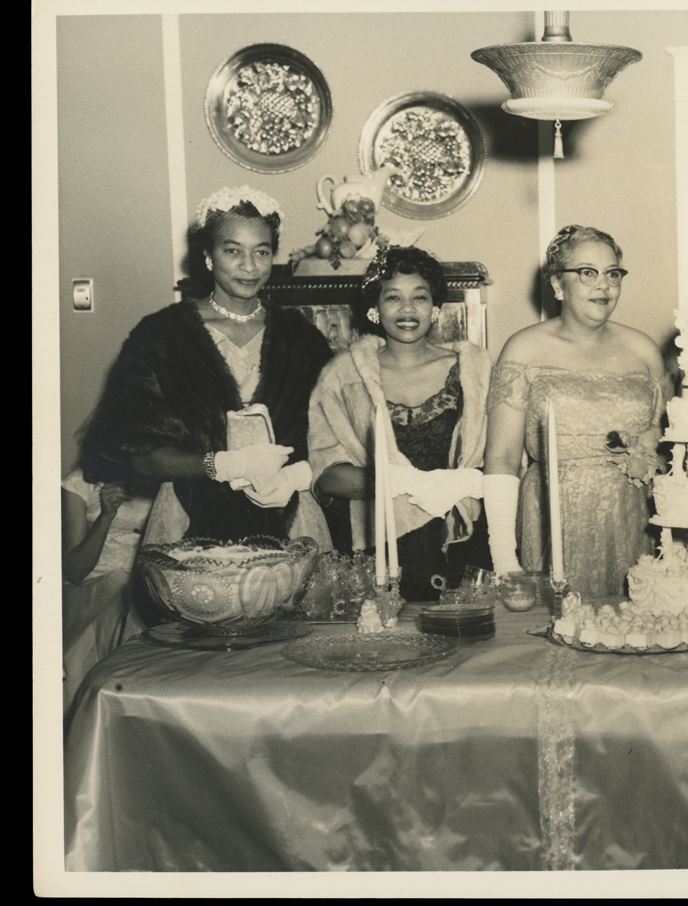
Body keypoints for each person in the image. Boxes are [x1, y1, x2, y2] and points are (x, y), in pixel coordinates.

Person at [79, 186, 333, 551]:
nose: (249, 266)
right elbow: (140, 456)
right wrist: (226, 465)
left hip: (291, 521)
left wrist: (298, 475)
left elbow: (332, 442)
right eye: (232, 250)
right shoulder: (161, 336)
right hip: (189, 520)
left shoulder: (302, 338)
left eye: (261, 252)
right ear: (208, 256)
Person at [484, 225, 668, 597]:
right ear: (556, 284)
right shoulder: (523, 350)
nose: (603, 285)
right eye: (587, 273)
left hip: (632, 521)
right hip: (554, 517)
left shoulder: (645, 351)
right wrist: (504, 559)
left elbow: (665, 447)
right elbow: (502, 459)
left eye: (612, 274)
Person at [307, 245, 490, 602]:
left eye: (419, 297)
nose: (408, 310)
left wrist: (468, 480)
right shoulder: (343, 376)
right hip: (380, 545)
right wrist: (398, 481)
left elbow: (503, 462)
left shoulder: (474, 369)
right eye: (393, 297)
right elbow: (326, 473)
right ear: (374, 308)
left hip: (461, 541)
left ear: (435, 308)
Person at [60, 467, 155, 713]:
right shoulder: (80, 482)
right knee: (117, 584)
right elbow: (76, 572)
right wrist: (105, 516)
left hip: (146, 585)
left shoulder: (166, 477)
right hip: (91, 588)